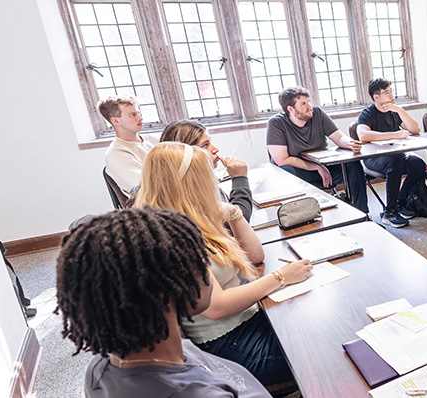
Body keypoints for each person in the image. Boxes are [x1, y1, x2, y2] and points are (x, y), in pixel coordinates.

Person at [136, 142, 315, 385]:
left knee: (316, 318)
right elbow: (215, 307)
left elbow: (255, 256)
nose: (215, 179)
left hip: (247, 320)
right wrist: (280, 278)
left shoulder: (193, 217)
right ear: (191, 183)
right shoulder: (173, 237)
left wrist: (233, 212)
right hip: (228, 343)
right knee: (320, 344)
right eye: (208, 174)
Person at [56, 208, 272, 397]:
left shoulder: (101, 366)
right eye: (197, 260)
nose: (207, 268)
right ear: (166, 289)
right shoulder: (193, 393)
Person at [267, 86, 369, 213]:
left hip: (324, 166)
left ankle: (362, 213)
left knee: (352, 164)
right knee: (286, 171)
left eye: (308, 101)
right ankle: (301, 218)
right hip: (300, 170)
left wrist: (351, 143)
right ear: (291, 109)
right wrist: (316, 167)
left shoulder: (317, 113)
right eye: (303, 104)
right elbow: (281, 160)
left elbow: (338, 137)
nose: (309, 106)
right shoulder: (276, 123)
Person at [357, 78, 427, 228]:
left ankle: (401, 202)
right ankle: (389, 212)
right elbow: (363, 135)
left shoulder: (393, 112)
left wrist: (399, 110)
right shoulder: (367, 114)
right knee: (394, 164)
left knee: (418, 164)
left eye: (391, 91)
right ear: (376, 97)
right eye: (387, 92)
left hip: (396, 154)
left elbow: (415, 129)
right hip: (374, 158)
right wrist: (394, 134)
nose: (391, 95)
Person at [162, 120, 254, 221]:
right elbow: (239, 220)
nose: (215, 149)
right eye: (205, 145)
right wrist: (239, 178)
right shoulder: (192, 192)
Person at [102, 95, 158, 196]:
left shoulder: (155, 139)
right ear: (116, 121)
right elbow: (149, 189)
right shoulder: (116, 154)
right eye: (133, 115)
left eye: (138, 113)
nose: (140, 118)